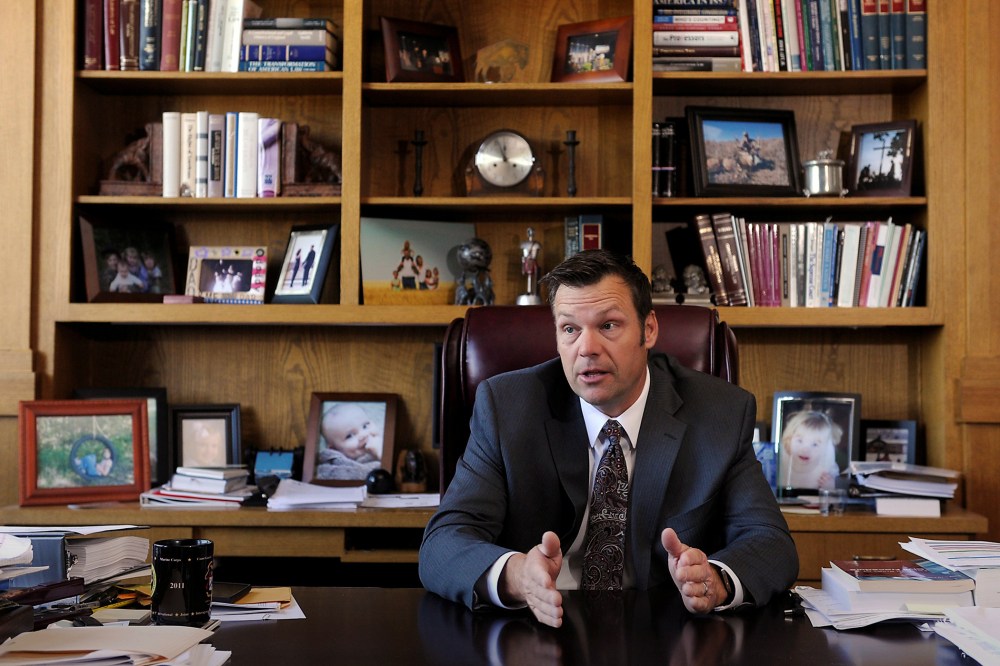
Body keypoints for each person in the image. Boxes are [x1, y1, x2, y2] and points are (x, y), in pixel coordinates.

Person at [420, 249, 798, 628]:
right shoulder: (507, 407)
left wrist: (716, 580)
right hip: (537, 628)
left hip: (665, 633)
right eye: (570, 329)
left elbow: (771, 543)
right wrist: (517, 576)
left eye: (608, 326)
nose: (586, 348)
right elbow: (442, 543)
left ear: (649, 329)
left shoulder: (719, 414)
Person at [315, 403, 383, 481]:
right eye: (349, 436)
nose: (363, 435)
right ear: (334, 449)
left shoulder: (384, 440)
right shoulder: (342, 468)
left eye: (365, 426)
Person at [778, 410, 841, 490]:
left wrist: (831, 486)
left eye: (815, 444)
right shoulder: (780, 459)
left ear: (825, 448)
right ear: (789, 439)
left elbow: (837, 493)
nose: (805, 450)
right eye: (799, 441)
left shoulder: (827, 466)